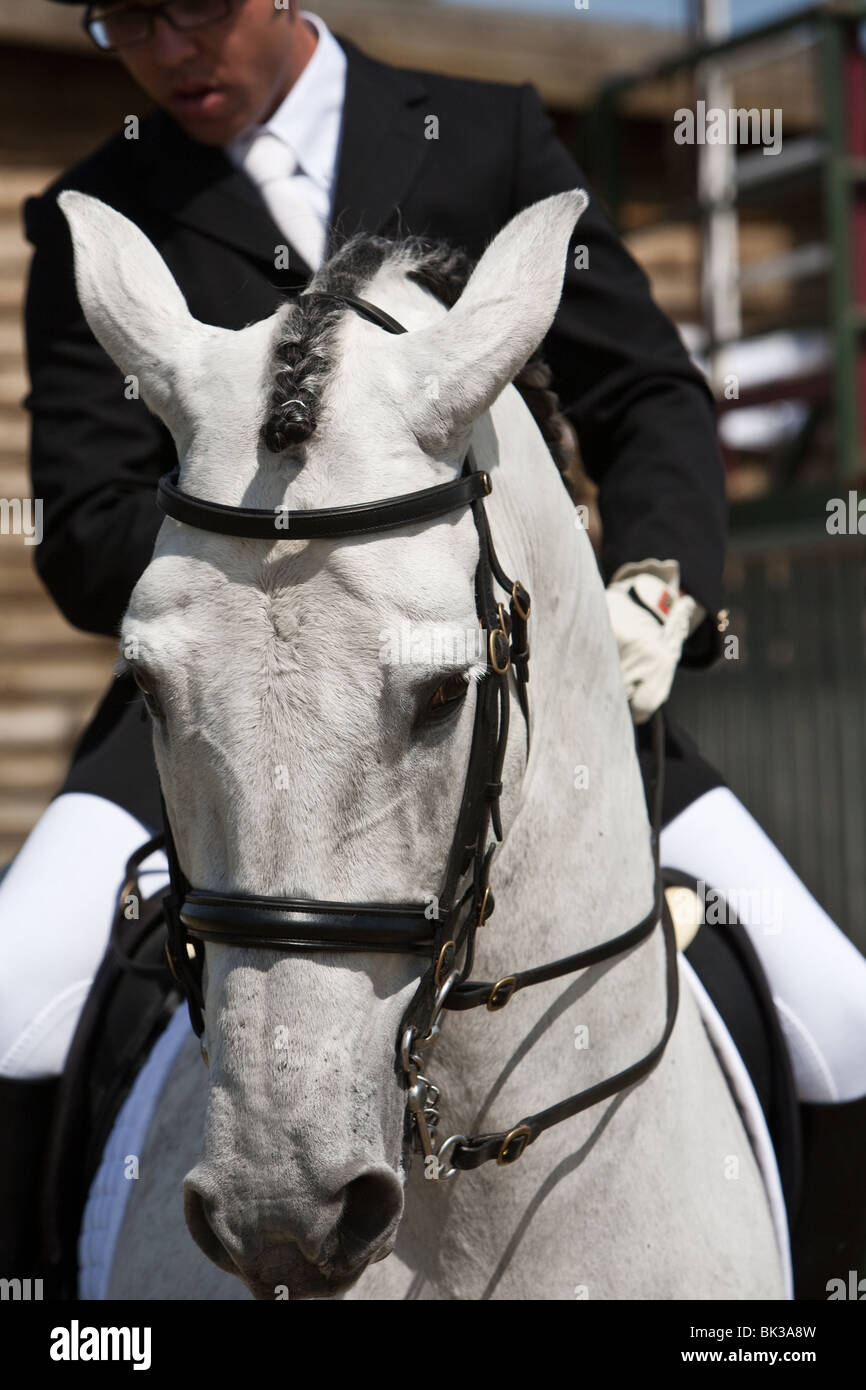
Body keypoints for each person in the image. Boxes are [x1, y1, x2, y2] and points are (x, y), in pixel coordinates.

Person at [3, 0, 864, 1288]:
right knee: (18, 993)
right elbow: (85, 521)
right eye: (126, 21)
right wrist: (273, 598)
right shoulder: (98, 207)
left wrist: (655, 584)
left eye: (195, 11)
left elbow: (642, 393)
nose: (166, 53)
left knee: (838, 1012)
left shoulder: (490, 140)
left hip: (514, 694)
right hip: (216, 715)